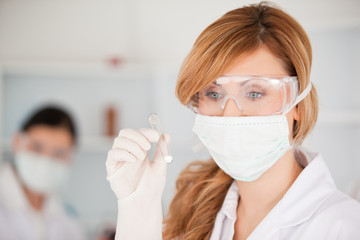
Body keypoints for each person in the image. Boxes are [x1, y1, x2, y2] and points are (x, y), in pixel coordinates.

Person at [106, 2, 360, 239]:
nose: (229, 115)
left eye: (254, 93)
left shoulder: (342, 226)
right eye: (214, 94)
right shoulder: (193, 208)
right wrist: (137, 212)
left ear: (299, 106)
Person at [0, 106, 85, 240]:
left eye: (59, 153)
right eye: (37, 147)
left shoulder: (67, 216)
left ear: (70, 157)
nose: (46, 161)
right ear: (17, 142)